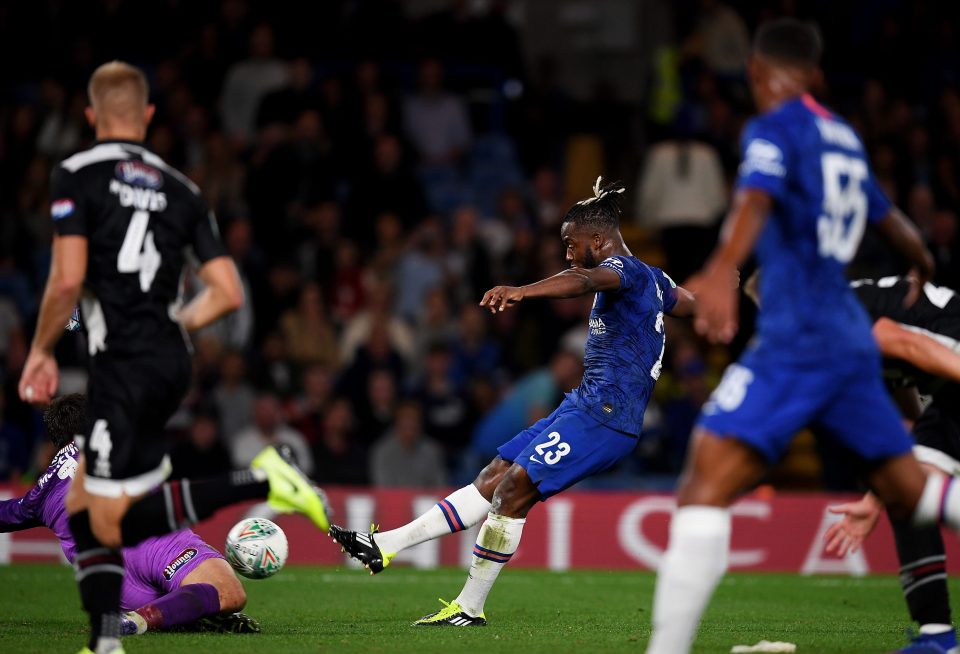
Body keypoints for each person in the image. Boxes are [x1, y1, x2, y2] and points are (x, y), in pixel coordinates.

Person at [643, 20, 957, 654]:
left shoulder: (772, 127)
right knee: (913, 490)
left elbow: (752, 203)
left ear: (757, 73)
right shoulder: (843, 136)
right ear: (815, 74)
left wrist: (720, 270)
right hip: (850, 341)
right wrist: (923, 258)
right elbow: (889, 217)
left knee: (705, 482)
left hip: (802, 335)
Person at [17, 61, 329, 654]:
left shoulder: (77, 173)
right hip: (166, 361)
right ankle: (114, 633)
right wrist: (170, 327)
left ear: (90, 116)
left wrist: (41, 351)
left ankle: (264, 480)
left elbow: (65, 281)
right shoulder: (183, 190)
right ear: (149, 117)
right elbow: (229, 294)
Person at [329, 177, 696, 626]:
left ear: (597, 240)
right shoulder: (656, 280)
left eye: (570, 244)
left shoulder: (625, 271)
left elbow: (581, 279)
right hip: (583, 406)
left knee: (511, 492)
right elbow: (689, 303)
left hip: (605, 417)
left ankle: (469, 608)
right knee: (494, 475)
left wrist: (522, 290)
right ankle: (385, 545)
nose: (567, 253)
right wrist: (722, 297)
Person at [0, 395, 258, 635]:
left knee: (181, 607)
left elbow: (5, 514)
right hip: (154, 544)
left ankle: (142, 617)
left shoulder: (40, 493)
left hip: (119, 585)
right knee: (228, 594)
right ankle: (149, 617)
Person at [820, 276, 960, 653]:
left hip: (954, 368)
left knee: (913, 492)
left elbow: (906, 342)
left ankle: (938, 639)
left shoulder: (829, 309)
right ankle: (937, 637)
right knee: (909, 494)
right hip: (945, 384)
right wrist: (876, 497)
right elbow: (908, 404)